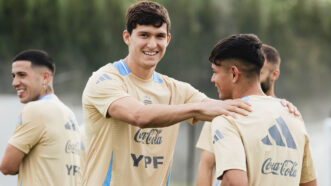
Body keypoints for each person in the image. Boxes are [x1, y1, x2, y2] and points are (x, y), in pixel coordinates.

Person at [81, 1, 252, 186]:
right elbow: (140, 115)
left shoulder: (175, 89)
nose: (152, 44)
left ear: (168, 39)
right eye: (144, 35)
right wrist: (195, 109)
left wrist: (277, 108)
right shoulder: (105, 80)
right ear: (127, 37)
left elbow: (224, 109)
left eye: (159, 36)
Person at [208, 34, 316, 186]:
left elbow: (236, 183)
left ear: (234, 73)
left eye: (215, 72)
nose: (213, 79)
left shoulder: (228, 119)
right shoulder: (293, 115)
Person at [196, 44, 282, 186]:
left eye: (260, 72)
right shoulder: (222, 112)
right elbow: (206, 165)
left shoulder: (287, 114)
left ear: (275, 75)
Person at [0, 49, 81, 186]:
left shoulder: (35, 109)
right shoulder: (68, 112)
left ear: (45, 78)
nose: (15, 82)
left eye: (22, 75)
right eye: (14, 76)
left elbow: (7, 166)